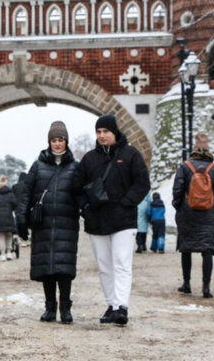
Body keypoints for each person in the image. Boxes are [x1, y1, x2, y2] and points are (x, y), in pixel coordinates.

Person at [77, 114, 150, 326]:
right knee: (104, 266)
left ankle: (122, 307)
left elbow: (142, 183)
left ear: (114, 132)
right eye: (98, 132)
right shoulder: (89, 159)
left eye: (106, 131)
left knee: (121, 262)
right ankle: (111, 305)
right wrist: (85, 208)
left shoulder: (130, 155)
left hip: (123, 220)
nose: (102, 136)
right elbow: (77, 186)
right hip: (96, 220)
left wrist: (127, 202)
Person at [17, 121, 81, 324]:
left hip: (66, 223)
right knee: (47, 268)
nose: (57, 143)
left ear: (66, 141)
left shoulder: (75, 167)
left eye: (61, 139)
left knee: (64, 269)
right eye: (54, 140)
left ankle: (65, 308)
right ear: (49, 142)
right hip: (42, 223)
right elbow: (26, 193)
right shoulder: (38, 166)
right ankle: (50, 308)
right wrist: (21, 219)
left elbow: (82, 194)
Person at [172, 133, 214, 299]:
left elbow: (177, 191)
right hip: (209, 214)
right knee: (207, 250)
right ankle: (206, 287)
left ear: (193, 150)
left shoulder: (184, 167)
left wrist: (179, 207)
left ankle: (187, 283)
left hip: (187, 213)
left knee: (186, 248)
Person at [12, 172, 29, 246]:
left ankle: (19, 236)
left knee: (18, 220)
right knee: (26, 220)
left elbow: (12, 197)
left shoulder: (15, 186)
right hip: (26, 205)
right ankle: (26, 237)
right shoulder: (28, 186)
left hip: (17, 206)